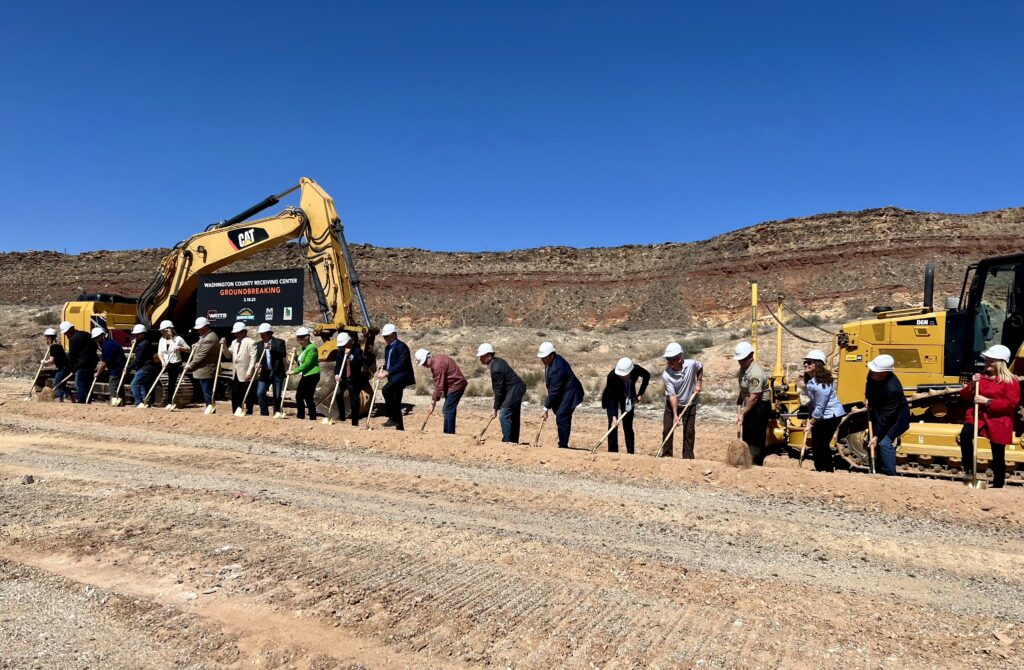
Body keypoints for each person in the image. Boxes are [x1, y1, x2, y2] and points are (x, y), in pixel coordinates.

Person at [959, 344, 1019, 488]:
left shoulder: (1011, 382)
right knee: (966, 434)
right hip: (978, 417)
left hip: (998, 420)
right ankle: (968, 469)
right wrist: (973, 383)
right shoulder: (982, 378)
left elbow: (1011, 404)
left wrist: (988, 401)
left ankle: (998, 484)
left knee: (998, 452)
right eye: (987, 360)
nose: (987, 363)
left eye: (991, 361)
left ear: (1000, 363)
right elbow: (965, 395)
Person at [864, 354, 910, 476]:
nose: (870, 372)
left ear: (884, 373)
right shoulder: (873, 374)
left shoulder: (893, 389)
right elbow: (869, 385)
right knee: (871, 440)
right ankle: (876, 470)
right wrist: (868, 398)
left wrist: (877, 435)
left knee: (884, 442)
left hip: (896, 418)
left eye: (874, 371)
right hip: (880, 411)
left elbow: (887, 417)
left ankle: (890, 474)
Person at [802, 349, 845, 473]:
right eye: (805, 362)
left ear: (818, 365)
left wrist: (811, 423)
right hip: (821, 415)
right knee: (817, 443)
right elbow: (814, 402)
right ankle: (821, 469)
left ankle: (826, 470)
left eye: (809, 362)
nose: (806, 364)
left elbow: (820, 407)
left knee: (821, 443)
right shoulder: (811, 380)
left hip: (830, 416)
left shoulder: (821, 385)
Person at [537, 342, 585, 448]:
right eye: (541, 357)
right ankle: (563, 441)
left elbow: (553, 392)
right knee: (560, 414)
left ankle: (563, 445)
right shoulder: (551, 361)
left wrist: (545, 409)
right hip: (563, 392)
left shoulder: (557, 368)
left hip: (571, 393)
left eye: (544, 357)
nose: (542, 360)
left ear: (552, 355)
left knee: (562, 416)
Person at [477, 343, 526, 443]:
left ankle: (507, 441)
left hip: (515, 389)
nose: (480, 359)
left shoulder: (496, 369)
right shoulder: (497, 361)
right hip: (516, 388)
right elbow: (502, 388)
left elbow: (498, 391)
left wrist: (495, 409)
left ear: (489, 356)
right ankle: (513, 441)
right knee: (513, 415)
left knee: (504, 414)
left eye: (482, 356)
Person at [600, 357, 650, 454]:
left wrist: (640, 393)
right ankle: (612, 452)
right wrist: (614, 417)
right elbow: (611, 398)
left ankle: (630, 452)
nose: (622, 376)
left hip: (627, 396)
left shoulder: (636, 369)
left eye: (624, 375)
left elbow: (647, 375)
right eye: (620, 374)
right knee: (613, 425)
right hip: (612, 396)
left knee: (628, 425)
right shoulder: (612, 376)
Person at [661, 342, 703, 458]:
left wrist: (699, 382)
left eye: (670, 360)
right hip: (671, 405)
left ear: (679, 359)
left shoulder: (691, 364)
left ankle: (688, 458)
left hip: (690, 404)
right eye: (667, 359)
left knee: (689, 432)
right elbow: (672, 395)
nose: (668, 362)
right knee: (667, 430)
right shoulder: (666, 375)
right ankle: (667, 456)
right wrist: (675, 414)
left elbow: (700, 367)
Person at [735, 341, 771, 465]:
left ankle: (755, 463)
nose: (740, 362)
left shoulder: (755, 373)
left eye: (743, 359)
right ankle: (747, 459)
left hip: (759, 407)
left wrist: (743, 413)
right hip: (750, 404)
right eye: (739, 360)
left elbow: (754, 397)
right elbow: (744, 388)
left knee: (756, 437)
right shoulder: (743, 368)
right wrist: (740, 399)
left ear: (751, 356)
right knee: (747, 435)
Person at [416, 348, 468, 434]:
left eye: (424, 363)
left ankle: (449, 434)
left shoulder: (437, 365)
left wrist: (432, 403)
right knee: (449, 409)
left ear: (428, 357)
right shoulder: (436, 361)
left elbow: (439, 386)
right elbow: (440, 384)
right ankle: (448, 432)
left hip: (456, 385)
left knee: (447, 409)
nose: (424, 366)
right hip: (452, 386)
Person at [377, 323, 414, 430]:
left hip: (401, 376)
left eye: (387, 336)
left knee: (385, 390)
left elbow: (402, 363)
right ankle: (399, 427)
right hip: (393, 377)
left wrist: (387, 372)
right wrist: (384, 366)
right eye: (384, 337)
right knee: (396, 402)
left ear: (394, 335)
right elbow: (392, 362)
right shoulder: (387, 348)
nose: (385, 339)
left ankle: (392, 417)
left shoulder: (402, 347)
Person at [185, 317, 222, 410]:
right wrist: (196, 345)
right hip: (203, 369)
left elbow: (201, 355)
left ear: (206, 327)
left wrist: (190, 365)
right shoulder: (204, 336)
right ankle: (209, 407)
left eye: (200, 328)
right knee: (205, 391)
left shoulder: (209, 338)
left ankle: (210, 408)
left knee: (207, 392)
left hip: (207, 369)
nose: (198, 330)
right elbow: (200, 347)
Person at [224, 321, 258, 415]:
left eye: (237, 332)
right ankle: (236, 412)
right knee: (235, 395)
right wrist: (223, 347)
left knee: (247, 396)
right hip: (235, 373)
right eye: (235, 332)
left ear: (244, 332)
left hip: (246, 374)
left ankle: (248, 413)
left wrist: (249, 372)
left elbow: (253, 359)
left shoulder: (251, 343)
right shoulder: (234, 342)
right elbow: (228, 355)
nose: (235, 334)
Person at [255, 323, 288, 418]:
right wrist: (258, 363)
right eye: (260, 334)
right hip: (265, 372)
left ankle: (277, 413)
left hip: (277, 372)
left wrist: (271, 348)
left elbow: (283, 353)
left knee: (277, 395)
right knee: (260, 393)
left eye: (263, 334)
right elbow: (258, 358)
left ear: (269, 334)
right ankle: (264, 413)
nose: (261, 336)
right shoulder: (259, 345)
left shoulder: (279, 342)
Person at [334, 332, 365, 426]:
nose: (342, 347)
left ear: (349, 342)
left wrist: (350, 356)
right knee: (338, 393)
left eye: (344, 345)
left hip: (354, 379)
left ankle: (355, 421)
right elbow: (338, 366)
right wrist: (336, 375)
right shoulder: (339, 352)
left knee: (354, 399)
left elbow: (359, 362)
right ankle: (342, 415)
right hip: (344, 378)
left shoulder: (357, 351)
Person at [290, 326, 321, 420]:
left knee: (306, 396)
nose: (300, 341)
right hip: (306, 375)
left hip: (312, 375)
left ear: (307, 338)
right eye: (298, 339)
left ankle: (310, 417)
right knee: (301, 396)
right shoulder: (302, 349)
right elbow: (300, 362)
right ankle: (302, 417)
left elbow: (307, 363)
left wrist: (294, 371)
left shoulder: (312, 348)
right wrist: (294, 355)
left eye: (302, 339)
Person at [157, 320, 190, 407]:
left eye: (165, 330)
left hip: (175, 362)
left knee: (171, 382)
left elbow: (188, 349)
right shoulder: (162, 340)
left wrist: (180, 348)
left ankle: (170, 402)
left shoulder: (178, 339)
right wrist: (163, 361)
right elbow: (160, 353)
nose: (164, 332)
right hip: (165, 362)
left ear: (169, 329)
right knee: (157, 378)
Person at [66, 321, 98, 404]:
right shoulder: (86, 334)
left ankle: (82, 401)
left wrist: (72, 367)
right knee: (88, 383)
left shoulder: (73, 339)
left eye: (66, 333)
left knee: (79, 383)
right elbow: (95, 346)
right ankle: (88, 400)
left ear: (70, 330)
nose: (66, 336)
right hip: (91, 363)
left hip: (81, 365)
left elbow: (72, 355)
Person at [129, 324, 160, 407]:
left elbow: (138, 359)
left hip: (145, 367)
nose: (135, 336)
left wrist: (129, 367)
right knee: (142, 384)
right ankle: (145, 402)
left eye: (137, 334)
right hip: (148, 366)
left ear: (143, 334)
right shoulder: (145, 342)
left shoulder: (142, 345)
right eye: (134, 335)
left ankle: (138, 402)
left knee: (134, 384)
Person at [93, 328, 126, 403]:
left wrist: (98, 373)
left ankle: (115, 401)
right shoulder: (109, 343)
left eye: (96, 338)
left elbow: (104, 363)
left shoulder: (107, 345)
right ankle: (121, 402)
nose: (95, 340)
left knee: (113, 385)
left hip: (116, 369)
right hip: (117, 367)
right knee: (119, 386)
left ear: (102, 336)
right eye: (94, 338)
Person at [42, 326, 71, 402]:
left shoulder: (54, 346)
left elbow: (52, 360)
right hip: (65, 367)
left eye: (46, 337)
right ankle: (72, 398)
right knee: (62, 384)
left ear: (49, 337)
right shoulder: (58, 344)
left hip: (64, 367)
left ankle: (59, 398)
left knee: (57, 382)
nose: (45, 338)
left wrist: (44, 362)